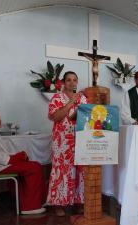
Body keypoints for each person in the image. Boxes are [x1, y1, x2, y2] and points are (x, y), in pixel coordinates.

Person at [0, 109, 46, 215]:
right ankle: (30, 207)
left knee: (35, 165)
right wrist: (20, 156)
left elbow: (5, 154)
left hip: (2, 164)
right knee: (34, 168)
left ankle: (35, 202)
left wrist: (19, 157)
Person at [46, 71, 87, 216]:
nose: (72, 82)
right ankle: (59, 204)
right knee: (62, 171)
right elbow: (55, 116)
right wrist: (70, 103)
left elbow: (88, 116)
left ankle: (78, 202)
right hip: (62, 140)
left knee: (80, 170)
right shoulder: (57, 98)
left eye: (74, 80)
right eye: (68, 80)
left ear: (77, 82)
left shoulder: (82, 98)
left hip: (80, 139)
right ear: (64, 82)